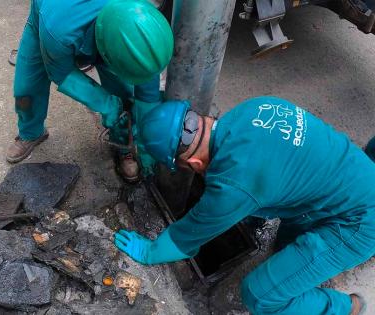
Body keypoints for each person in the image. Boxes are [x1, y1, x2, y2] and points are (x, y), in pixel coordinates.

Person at [114, 96, 374, 315]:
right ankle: (293, 271)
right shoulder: (253, 108)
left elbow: (184, 241)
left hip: (360, 222)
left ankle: (346, 307)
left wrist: (149, 252)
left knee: (259, 296)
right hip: (356, 178)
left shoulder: (232, 186)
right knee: (287, 238)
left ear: (193, 165)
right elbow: (275, 169)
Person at [7, 0, 173, 182]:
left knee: (125, 94)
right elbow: (61, 74)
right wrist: (107, 105)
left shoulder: (138, 20)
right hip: (52, 16)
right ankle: (31, 132)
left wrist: (147, 144)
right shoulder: (57, 32)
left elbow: (147, 92)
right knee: (27, 88)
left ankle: (124, 145)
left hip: (108, 27)